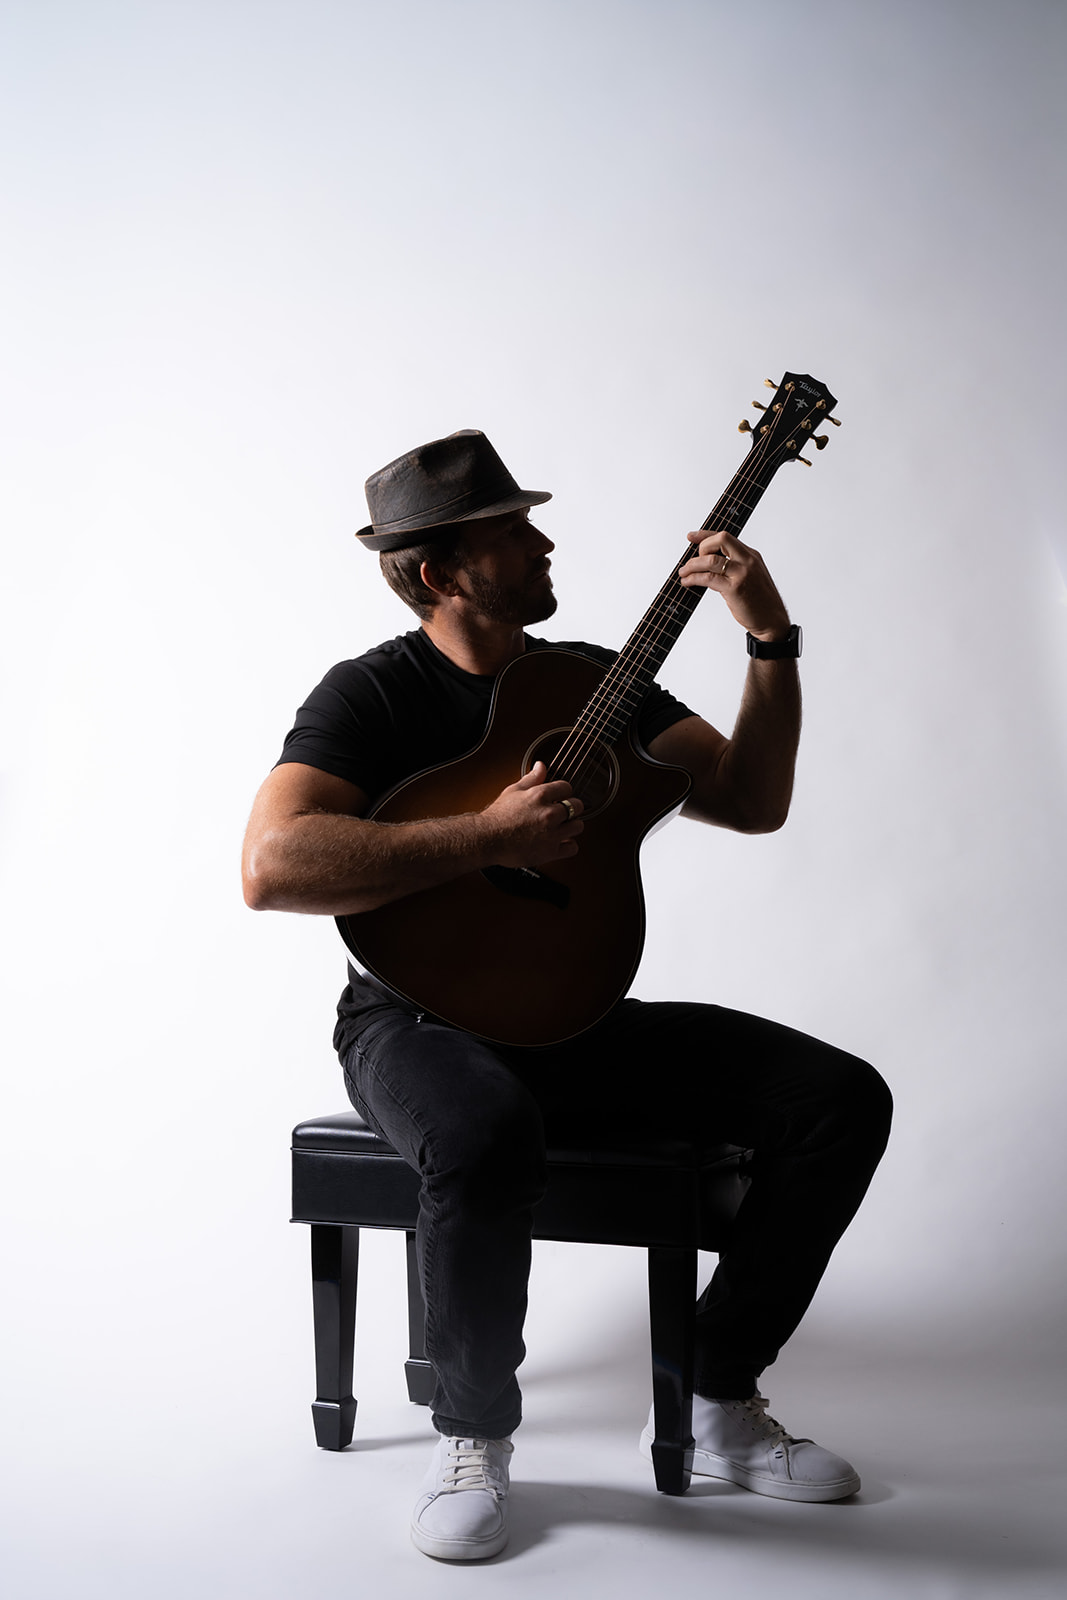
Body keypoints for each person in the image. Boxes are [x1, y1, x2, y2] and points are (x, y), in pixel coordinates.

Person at [242, 428, 892, 1562]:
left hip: (571, 1011)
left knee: (836, 1097)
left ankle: (712, 1392)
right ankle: (474, 1435)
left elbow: (748, 798)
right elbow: (272, 865)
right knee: (485, 1128)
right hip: (415, 1018)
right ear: (441, 572)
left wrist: (768, 638)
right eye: (512, 533)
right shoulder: (370, 695)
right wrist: (488, 832)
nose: (545, 544)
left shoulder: (597, 679)